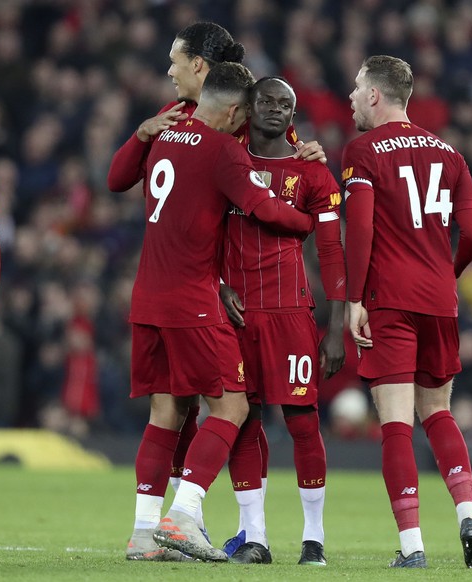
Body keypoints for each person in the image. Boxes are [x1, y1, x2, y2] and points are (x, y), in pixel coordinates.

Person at [108, 21, 323, 557]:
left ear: (200, 71)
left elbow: (115, 180)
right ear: (234, 114)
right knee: (231, 408)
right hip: (193, 299)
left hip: (147, 296)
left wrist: (141, 133)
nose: (170, 70)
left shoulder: (168, 129)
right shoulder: (221, 147)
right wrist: (309, 216)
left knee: (167, 413)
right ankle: (183, 515)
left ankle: (142, 534)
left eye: (175, 62)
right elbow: (266, 207)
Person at [342, 55, 472, 569]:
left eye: (358, 88)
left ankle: (413, 548)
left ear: (378, 96)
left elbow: (359, 231)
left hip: (391, 300)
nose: (352, 97)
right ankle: (469, 514)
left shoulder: (362, 151)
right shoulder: (450, 154)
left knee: (396, 425)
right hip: (438, 300)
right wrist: (447, 275)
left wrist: (354, 298)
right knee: (439, 411)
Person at [218, 77, 345, 566]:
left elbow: (331, 251)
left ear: (293, 116)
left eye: (284, 104)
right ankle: (256, 537)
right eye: (266, 100)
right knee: (243, 420)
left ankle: (313, 538)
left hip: (291, 315)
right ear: (248, 107)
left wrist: (334, 328)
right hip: (234, 315)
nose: (274, 108)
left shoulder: (311, 173)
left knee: (301, 422)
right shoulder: (224, 161)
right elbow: (198, 230)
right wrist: (217, 284)